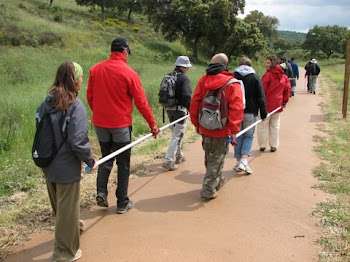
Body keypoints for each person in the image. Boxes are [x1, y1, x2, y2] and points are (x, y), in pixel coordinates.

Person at [87, 37, 160, 214]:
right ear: (125, 51)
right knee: (123, 163)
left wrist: (99, 114)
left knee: (106, 157)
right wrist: (152, 125)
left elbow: (90, 97)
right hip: (120, 125)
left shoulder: (95, 69)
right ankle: (122, 202)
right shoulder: (129, 73)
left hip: (101, 124)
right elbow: (141, 102)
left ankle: (102, 192)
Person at [36, 61, 97, 261]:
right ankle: (64, 253)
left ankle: (74, 227)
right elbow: (78, 141)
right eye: (80, 77)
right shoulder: (75, 105)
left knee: (61, 208)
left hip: (47, 163)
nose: (82, 80)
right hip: (66, 168)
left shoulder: (46, 101)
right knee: (67, 209)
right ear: (74, 79)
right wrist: (90, 160)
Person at [190, 53, 244, 200]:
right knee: (217, 158)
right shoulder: (233, 83)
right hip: (222, 128)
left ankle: (217, 180)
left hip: (206, 126)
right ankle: (208, 190)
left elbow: (195, 102)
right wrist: (233, 131)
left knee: (210, 156)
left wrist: (196, 123)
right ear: (225, 65)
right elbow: (236, 108)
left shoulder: (203, 80)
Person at [233, 57, 267, 174]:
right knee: (248, 136)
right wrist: (263, 113)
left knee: (238, 136)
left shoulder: (234, 76)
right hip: (250, 112)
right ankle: (244, 160)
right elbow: (261, 97)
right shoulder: (255, 77)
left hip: (236, 112)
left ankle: (239, 161)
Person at [161, 56, 192, 171]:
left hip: (169, 109)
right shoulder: (184, 78)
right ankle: (168, 160)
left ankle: (179, 155)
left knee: (176, 133)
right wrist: (191, 110)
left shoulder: (169, 76)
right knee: (176, 135)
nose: (188, 69)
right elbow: (186, 96)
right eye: (187, 67)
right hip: (180, 110)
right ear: (183, 66)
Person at [257, 56, 291, 153]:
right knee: (275, 125)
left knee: (263, 125)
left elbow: (262, 91)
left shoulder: (267, 76)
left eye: (267, 63)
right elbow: (287, 89)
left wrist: (260, 104)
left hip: (267, 105)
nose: (265, 64)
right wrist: (284, 101)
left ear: (272, 64)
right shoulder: (284, 76)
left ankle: (263, 145)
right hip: (278, 105)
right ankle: (274, 145)